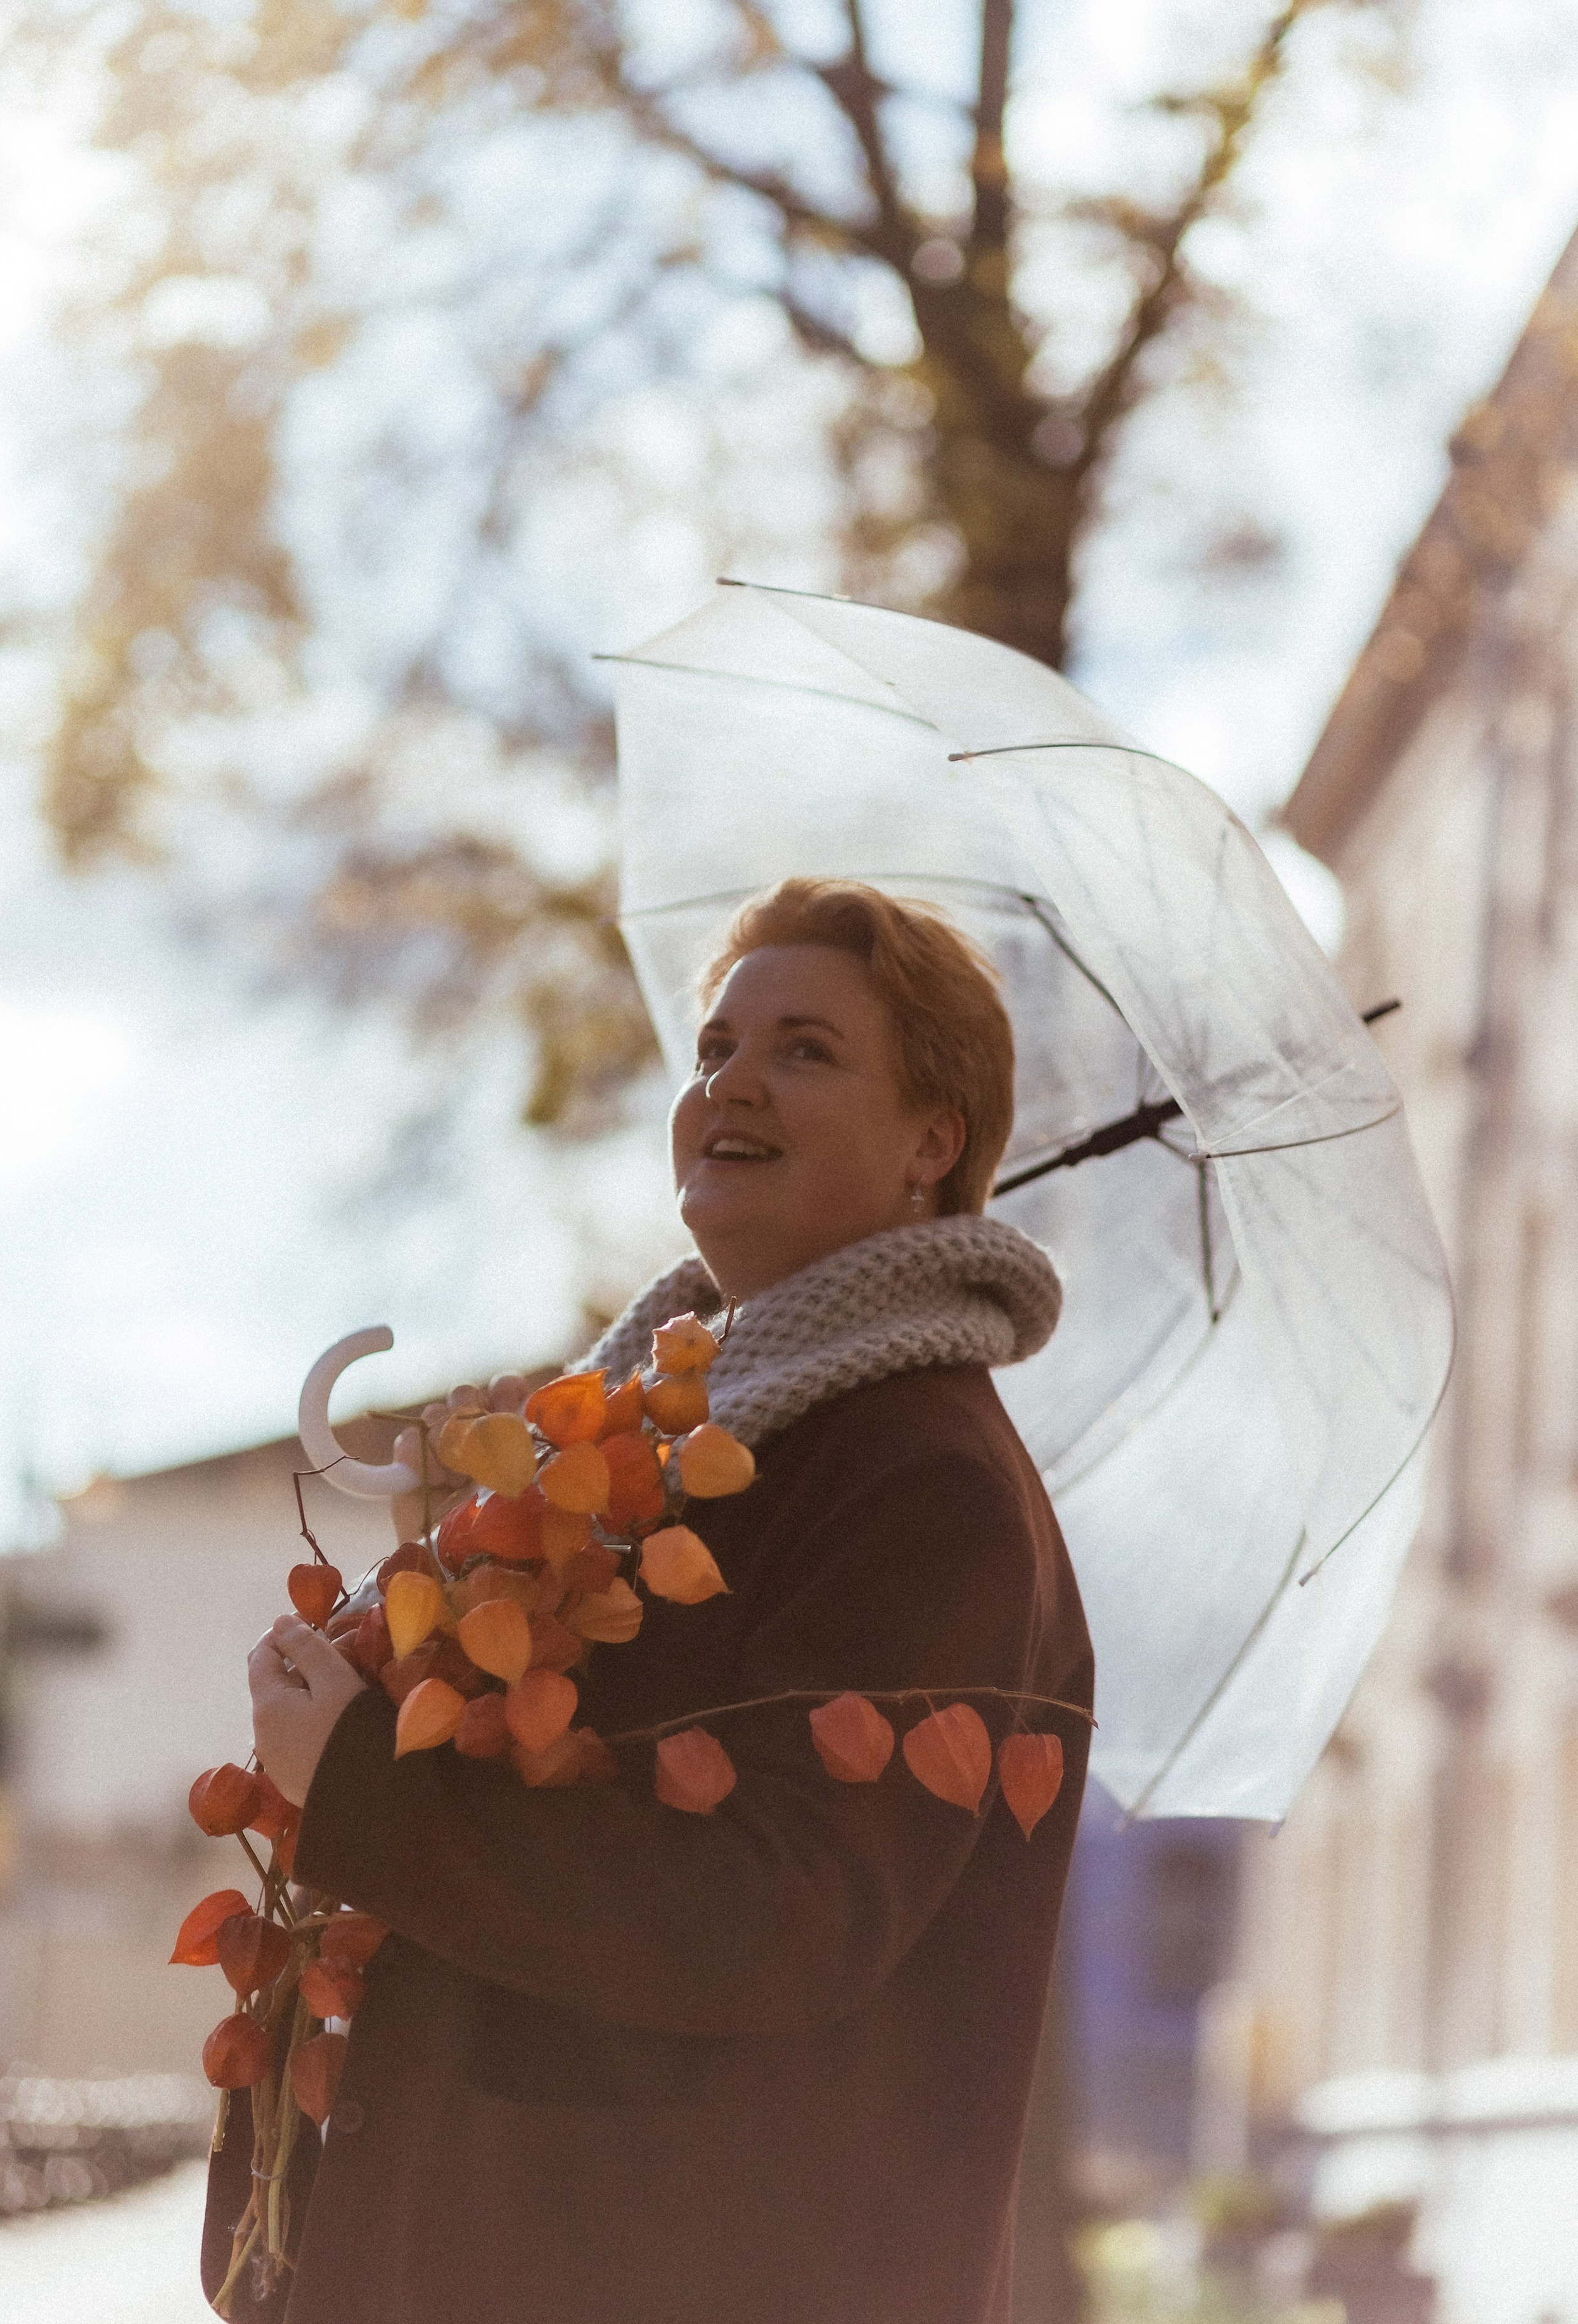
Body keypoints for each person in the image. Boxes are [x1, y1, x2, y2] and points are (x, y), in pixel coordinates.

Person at [214, 877, 1093, 2324]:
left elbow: (781, 1918)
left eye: (806, 1050)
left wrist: (362, 1782)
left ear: (932, 1142)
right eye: (715, 1049)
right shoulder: (655, 1442)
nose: (731, 1082)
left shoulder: (920, 1482)